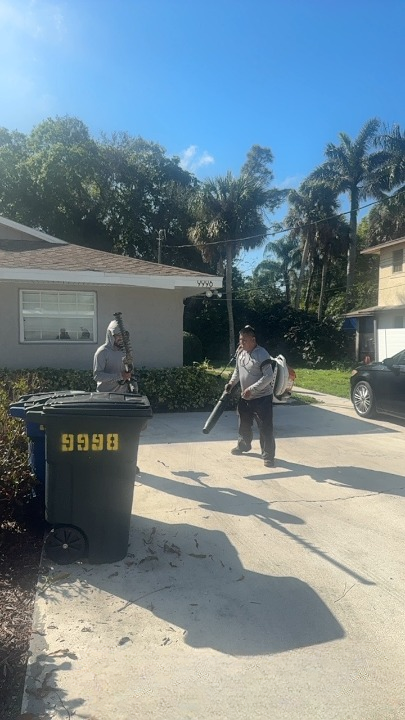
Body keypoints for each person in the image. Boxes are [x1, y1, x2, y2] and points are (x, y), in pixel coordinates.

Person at [225, 325, 276, 468]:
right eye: (240, 340)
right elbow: (237, 371)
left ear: (253, 340)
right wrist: (231, 383)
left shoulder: (262, 354)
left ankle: (268, 456)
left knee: (265, 428)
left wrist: (252, 389)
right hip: (245, 397)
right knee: (244, 424)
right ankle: (243, 445)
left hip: (262, 398)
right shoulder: (241, 353)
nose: (241, 343)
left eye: (244, 340)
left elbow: (268, 376)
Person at [93, 318, 133, 393]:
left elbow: (128, 374)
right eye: (118, 335)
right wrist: (119, 376)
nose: (121, 338)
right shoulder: (103, 352)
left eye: (123, 335)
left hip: (123, 394)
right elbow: (97, 376)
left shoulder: (124, 352)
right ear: (111, 335)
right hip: (105, 395)